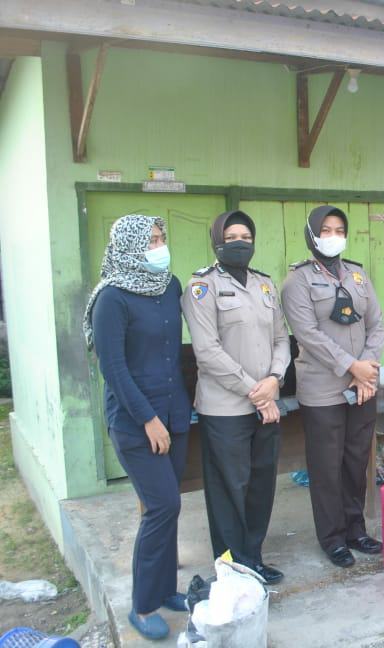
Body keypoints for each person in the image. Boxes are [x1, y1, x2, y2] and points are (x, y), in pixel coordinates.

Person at [84, 214, 191, 641]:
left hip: (176, 413)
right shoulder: (111, 298)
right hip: (134, 421)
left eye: (162, 237)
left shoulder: (170, 286)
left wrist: (172, 414)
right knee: (161, 506)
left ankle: (166, 589)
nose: (159, 245)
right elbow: (113, 367)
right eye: (150, 240)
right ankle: (142, 605)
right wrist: (147, 418)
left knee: (170, 506)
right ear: (128, 246)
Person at [181, 210, 291, 584]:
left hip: (266, 401)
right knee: (229, 491)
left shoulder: (264, 284)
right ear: (217, 241)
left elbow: (281, 339)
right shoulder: (202, 286)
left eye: (246, 235)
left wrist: (274, 379)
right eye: (232, 236)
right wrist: (256, 391)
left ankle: (254, 559)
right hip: (226, 407)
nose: (240, 242)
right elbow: (207, 351)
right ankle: (232, 568)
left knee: (261, 485)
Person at [281, 205, 384, 568]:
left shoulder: (357, 275)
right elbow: (307, 335)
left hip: (362, 386)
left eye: (339, 229)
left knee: (356, 460)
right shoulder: (297, 281)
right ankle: (333, 537)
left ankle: (356, 529)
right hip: (322, 387)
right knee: (326, 466)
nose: (333, 236)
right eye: (325, 230)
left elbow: (377, 325)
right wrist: (352, 366)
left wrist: (367, 370)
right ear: (312, 235)